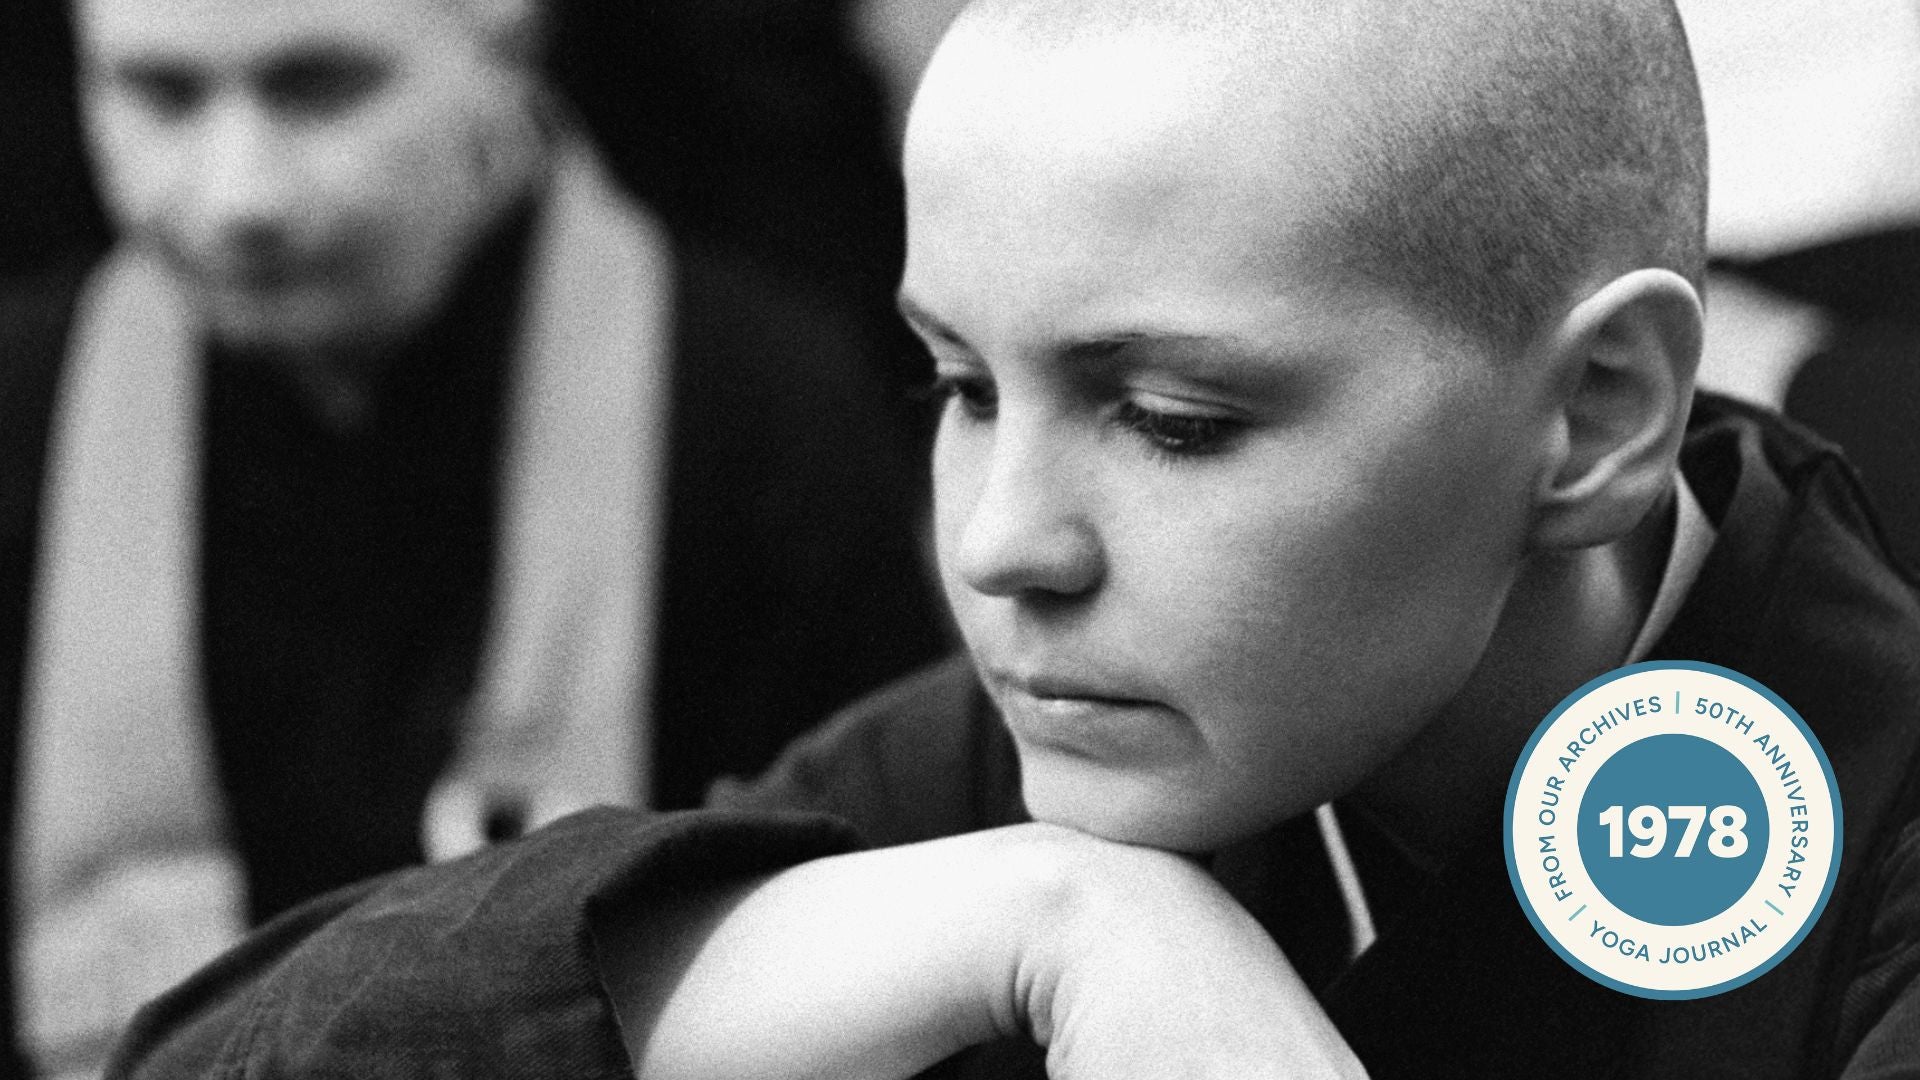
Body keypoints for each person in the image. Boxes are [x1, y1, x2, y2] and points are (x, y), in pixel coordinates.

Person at [109, 1, 1920, 1077]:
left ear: (1597, 416)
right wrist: (1053, 917)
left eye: (1176, 420)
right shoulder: (1046, 779)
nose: (1000, 543)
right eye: (959, 388)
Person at [0, 0, 944, 1074]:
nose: (237, 196)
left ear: (508, 54)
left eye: (320, 88)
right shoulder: (27, 398)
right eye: (159, 95)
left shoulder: (757, 409)